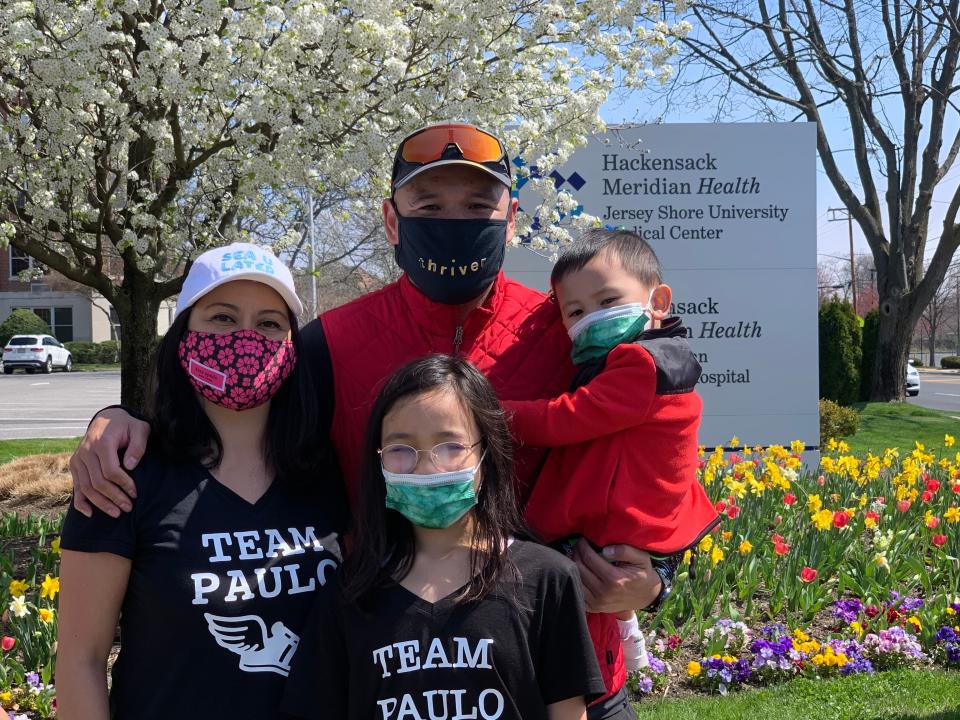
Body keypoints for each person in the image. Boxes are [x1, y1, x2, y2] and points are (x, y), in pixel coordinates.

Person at [66, 123, 664, 713]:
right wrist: (118, 417)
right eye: (429, 203)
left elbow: (656, 450)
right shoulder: (331, 343)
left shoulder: (566, 330)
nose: (453, 222)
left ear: (510, 219)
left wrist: (655, 576)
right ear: (390, 219)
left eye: (478, 205)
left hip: (570, 674)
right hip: (391, 681)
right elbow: (236, 400)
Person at [55, 244, 345, 719]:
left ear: (293, 345)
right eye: (222, 318)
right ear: (184, 333)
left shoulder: (326, 474)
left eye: (270, 323)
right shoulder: (122, 475)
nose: (246, 338)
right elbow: (80, 660)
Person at [280, 355, 605, 720]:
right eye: (400, 449)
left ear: (486, 453)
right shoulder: (350, 592)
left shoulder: (547, 579)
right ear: (379, 460)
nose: (426, 465)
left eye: (450, 446)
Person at [502, 229, 720, 677]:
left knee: (551, 569)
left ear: (658, 302)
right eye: (575, 311)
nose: (591, 319)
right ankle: (633, 649)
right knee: (602, 592)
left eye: (607, 302)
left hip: (620, 516)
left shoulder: (640, 363)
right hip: (639, 517)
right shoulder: (658, 359)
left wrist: (494, 415)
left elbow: (568, 418)